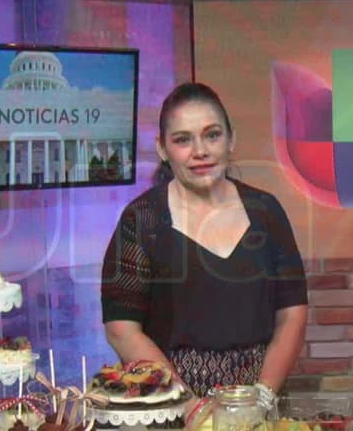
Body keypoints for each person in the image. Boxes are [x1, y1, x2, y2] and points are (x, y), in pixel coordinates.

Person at [100, 82, 308, 409]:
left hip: (261, 409)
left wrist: (260, 399)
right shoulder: (141, 220)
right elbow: (121, 329)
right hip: (171, 410)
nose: (200, 151)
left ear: (231, 139)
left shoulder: (266, 212)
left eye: (212, 135)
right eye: (183, 140)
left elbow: (292, 313)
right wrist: (188, 407)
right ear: (162, 148)